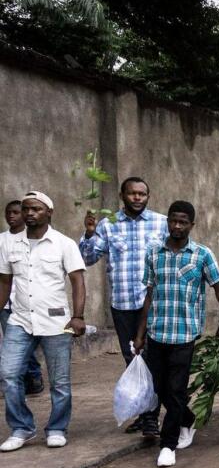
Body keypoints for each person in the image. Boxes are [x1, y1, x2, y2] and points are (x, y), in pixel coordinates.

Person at [133, 201, 219, 467]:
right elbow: (149, 295)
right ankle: (188, 419)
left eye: (183, 222)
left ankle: (168, 445)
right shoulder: (154, 253)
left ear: (192, 225)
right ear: (167, 222)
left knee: (176, 388)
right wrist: (140, 333)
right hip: (157, 332)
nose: (177, 226)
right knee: (158, 388)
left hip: (185, 334)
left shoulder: (202, 254)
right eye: (173, 220)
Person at [79, 176, 169, 436]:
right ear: (122, 195)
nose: (137, 198)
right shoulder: (109, 225)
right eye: (132, 194)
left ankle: (151, 417)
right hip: (122, 305)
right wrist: (88, 233)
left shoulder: (161, 223)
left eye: (142, 193)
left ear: (148, 196)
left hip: (152, 305)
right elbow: (87, 258)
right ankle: (145, 412)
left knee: (151, 359)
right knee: (132, 361)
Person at [0, 192, 87, 452]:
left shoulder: (63, 243)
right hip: (20, 319)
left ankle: (57, 428)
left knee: (60, 381)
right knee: (9, 374)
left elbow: (77, 280)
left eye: (35, 209)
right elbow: (5, 281)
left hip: (55, 322)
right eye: (26, 209)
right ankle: (21, 427)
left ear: (49, 212)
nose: (29, 213)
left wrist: (78, 316)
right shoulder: (10, 244)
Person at [1, 199, 44, 394]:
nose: (12, 216)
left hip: (27, 299)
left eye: (16, 212)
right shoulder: (2, 240)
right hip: (6, 301)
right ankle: (20, 378)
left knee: (27, 341)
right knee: (13, 341)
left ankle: (33, 376)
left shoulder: (31, 239)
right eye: (8, 212)